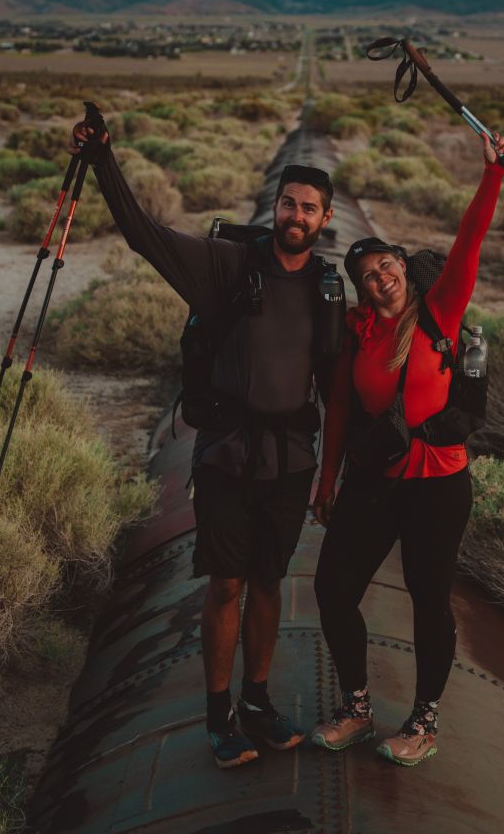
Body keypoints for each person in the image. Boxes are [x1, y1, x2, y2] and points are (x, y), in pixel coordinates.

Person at [69, 115, 335, 770]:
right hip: (227, 454)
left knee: (269, 583)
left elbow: (347, 377)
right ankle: (220, 717)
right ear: (276, 207)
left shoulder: (329, 289)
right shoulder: (227, 264)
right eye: (289, 203)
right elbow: (144, 236)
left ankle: (258, 703)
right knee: (226, 585)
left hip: (292, 459)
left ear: (324, 219)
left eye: (309, 208)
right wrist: (104, 159)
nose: (296, 215)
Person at [310, 129, 504, 767]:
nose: (381, 278)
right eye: (367, 276)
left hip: (439, 484)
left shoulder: (440, 313)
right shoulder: (357, 335)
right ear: (360, 288)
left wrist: (492, 174)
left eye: (387, 265)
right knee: (333, 588)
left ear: (402, 263)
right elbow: (339, 410)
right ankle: (357, 709)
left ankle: (423, 721)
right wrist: (325, 481)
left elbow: (469, 242)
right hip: (376, 480)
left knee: (430, 600)